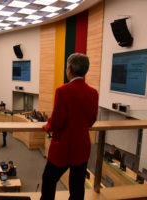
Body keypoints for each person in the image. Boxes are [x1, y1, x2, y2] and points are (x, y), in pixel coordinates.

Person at [40, 53, 99, 200]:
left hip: (63, 147)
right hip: (82, 147)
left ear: (70, 69)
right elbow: (91, 120)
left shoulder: (63, 91)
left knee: (49, 179)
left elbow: (56, 122)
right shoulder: (93, 93)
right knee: (77, 187)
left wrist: (47, 126)